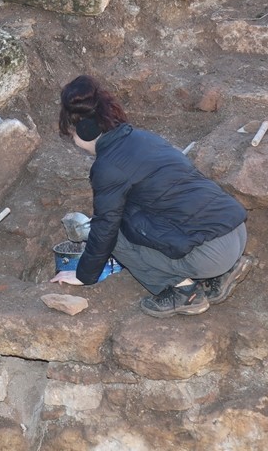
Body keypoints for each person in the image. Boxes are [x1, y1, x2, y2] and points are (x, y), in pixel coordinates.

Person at [55, 75, 253, 318]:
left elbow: (105, 229)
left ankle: (182, 292)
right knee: (137, 214)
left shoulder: (108, 166)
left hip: (211, 254)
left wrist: (83, 275)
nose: (73, 140)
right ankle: (222, 274)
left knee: (114, 234)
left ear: (85, 130)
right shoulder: (144, 138)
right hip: (235, 232)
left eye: (72, 134)